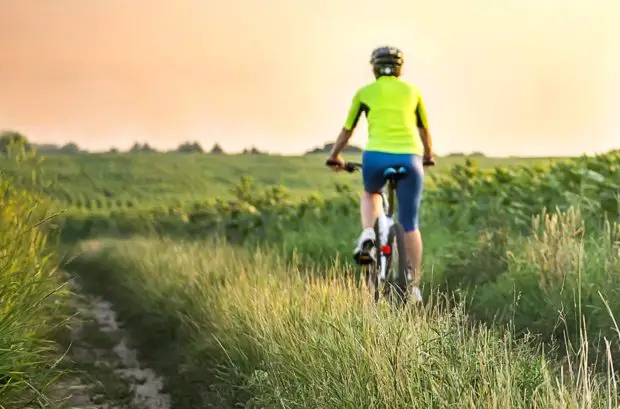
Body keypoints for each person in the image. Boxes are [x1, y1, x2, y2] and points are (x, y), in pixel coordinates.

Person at [326, 45, 434, 302]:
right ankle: (414, 284)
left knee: (371, 191)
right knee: (410, 224)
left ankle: (368, 234)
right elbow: (424, 130)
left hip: (375, 157)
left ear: (374, 67)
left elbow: (347, 129)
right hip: (410, 159)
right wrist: (428, 155)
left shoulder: (364, 93)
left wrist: (334, 156)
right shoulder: (413, 92)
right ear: (400, 68)